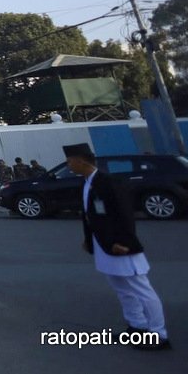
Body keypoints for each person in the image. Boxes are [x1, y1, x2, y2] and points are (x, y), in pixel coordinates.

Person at [63, 143, 170, 350]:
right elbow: (89, 216)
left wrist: (125, 243)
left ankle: (158, 333)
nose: (69, 166)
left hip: (121, 245)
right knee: (121, 288)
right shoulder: (86, 183)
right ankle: (137, 327)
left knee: (141, 289)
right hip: (103, 245)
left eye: (70, 162)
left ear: (81, 161)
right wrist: (88, 239)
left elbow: (125, 215)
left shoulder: (108, 183)